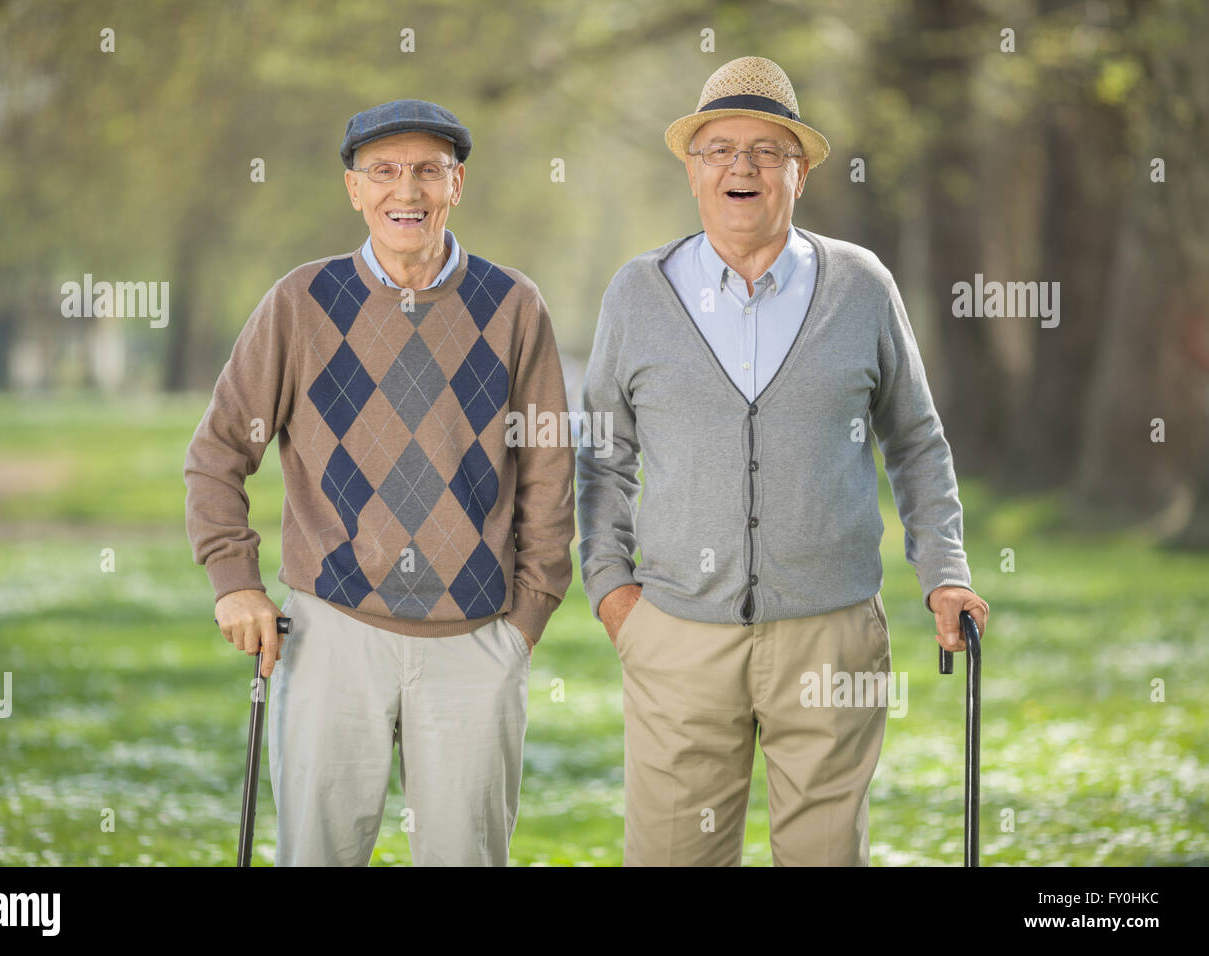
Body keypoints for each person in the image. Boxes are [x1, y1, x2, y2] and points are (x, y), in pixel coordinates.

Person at [576, 57, 990, 866]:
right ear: (694, 171)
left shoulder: (861, 286)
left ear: (798, 173)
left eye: (768, 150)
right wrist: (611, 592)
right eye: (720, 148)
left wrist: (944, 570)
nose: (742, 166)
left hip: (833, 634)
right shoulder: (637, 293)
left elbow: (914, 440)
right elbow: (602, 454)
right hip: (677, 635)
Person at [184, 99, 575, 866]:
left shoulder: (513, 306)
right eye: (385, 172)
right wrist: (234, 581)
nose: (408, 191)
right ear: (353, 189)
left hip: (475, 638)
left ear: (456, 185)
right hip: (331, 631)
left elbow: (550, 474)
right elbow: (219, 451)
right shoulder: (300, 303)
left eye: (428, 170)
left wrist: (525, 619)